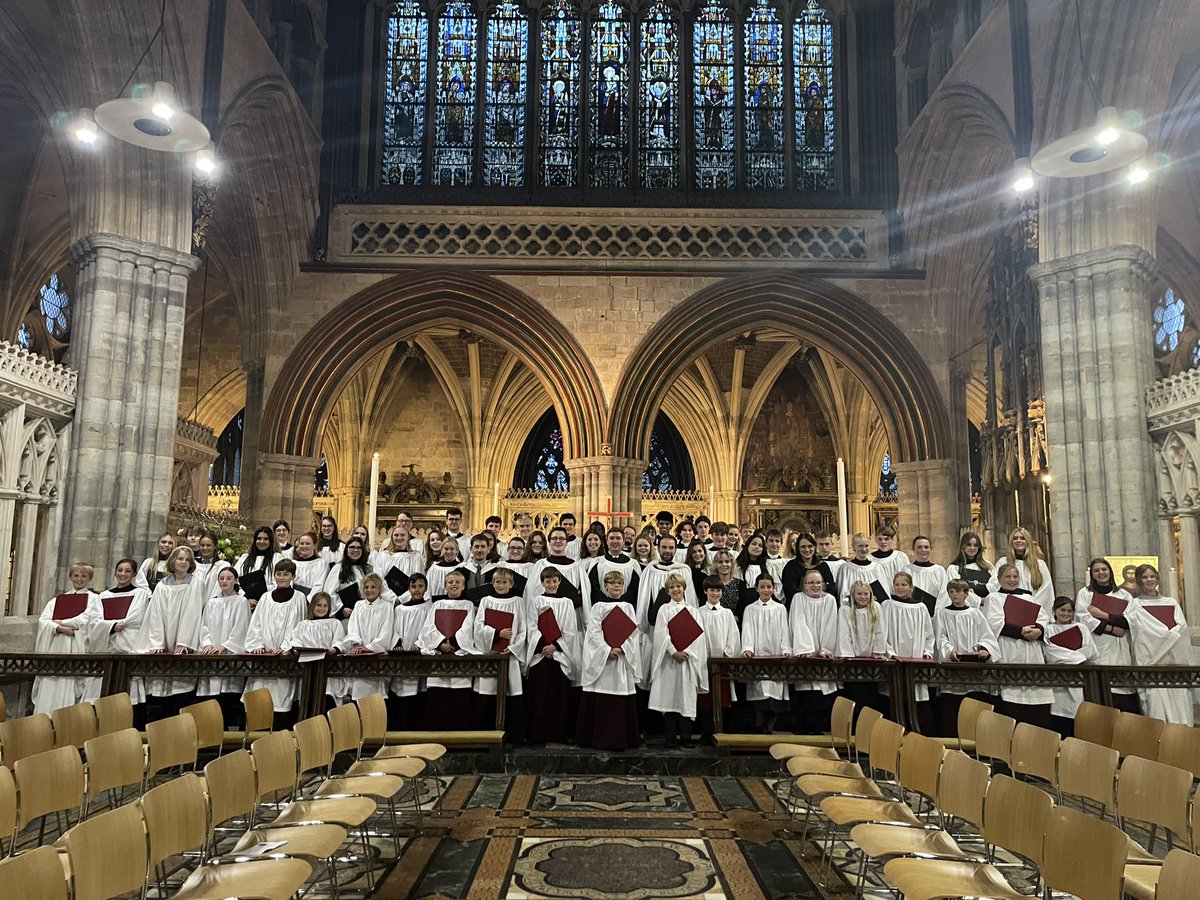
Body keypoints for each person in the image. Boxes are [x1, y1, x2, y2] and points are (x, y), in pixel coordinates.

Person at [135, 546, 206, 719]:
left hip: (185, 640)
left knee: (182, 690)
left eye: (187, 560)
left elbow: (193, 613)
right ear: (172, 561)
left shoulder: (196, 582)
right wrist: (157, 642)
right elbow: (156, 613)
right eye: (180, 558)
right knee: (162, 691)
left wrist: (184, 641)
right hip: (165, 637)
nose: (183, 562)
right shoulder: (162, 585)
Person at [578, 570, 643, 750]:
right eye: (612, 583)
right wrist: (607, 650)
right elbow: (593, 632)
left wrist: (621, 648)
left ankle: (622, 739)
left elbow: (633, 633)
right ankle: (598, 739)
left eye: (619, 583)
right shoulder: (598, 607)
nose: (616, 586)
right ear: (605, 586)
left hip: (621, 659)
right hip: (603, 662)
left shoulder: (628, 607)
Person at [985, 562, 1051, 727]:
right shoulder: (994, 598)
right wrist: (1020, 631)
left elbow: (1043, 618)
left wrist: (1039, 630)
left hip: (1031, 649)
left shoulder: (1029, 598)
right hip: (1009, 647)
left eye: (1015, 577)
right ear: (999, 579)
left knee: (1036, 698)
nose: (1012, 580)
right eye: (1008, 576)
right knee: (1010, 696)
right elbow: (994, 623)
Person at [1129, 563, 1196, 725]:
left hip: (1175, 665)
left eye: (1152, 576)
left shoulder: (1171, 602)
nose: (1149, 580)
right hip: (1151, 665)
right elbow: (1140, 633)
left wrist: (1166, 636)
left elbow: (1181, 629)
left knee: (1181, 708)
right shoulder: (1134, 605)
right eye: (1145, 577)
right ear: (1139, 580)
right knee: (1156, 711)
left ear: (1157, 579)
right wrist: (1167, 635)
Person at [244, 558, 308, 727]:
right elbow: (256, 623)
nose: (281, 577)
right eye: (278, 574)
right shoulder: (266, 597)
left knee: (282, 701)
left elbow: (298, 625)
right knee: (260, 698)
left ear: (293, 576)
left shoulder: (299, 598)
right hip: (264, 657)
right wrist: (257, 645)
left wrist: (285, 647)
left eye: (286, 574)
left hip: (284, 659)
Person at [34, 562, 102, 715]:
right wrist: (60, 628)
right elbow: (43, 621)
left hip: (78, 646)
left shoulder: (94, 599)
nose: (79, 579)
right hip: (56, 647)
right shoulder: (58, 600)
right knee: (51, 683)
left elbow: (88, 619)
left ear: (90, 578)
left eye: (84, 576)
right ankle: (45, 718)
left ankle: (69, 720)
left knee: (71, 683)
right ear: (70, 577)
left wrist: (62, 622)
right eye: (76, 575)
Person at [649, 574, 709, 747]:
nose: (676, 590)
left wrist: (686, 652)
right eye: (672, 587)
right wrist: (674, 652)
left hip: (687, 661)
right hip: (669, 662)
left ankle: (685, 737)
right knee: (670, 698)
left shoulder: (693, 611)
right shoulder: (664, 610)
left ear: (684, 588)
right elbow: (661, 634)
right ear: (667, 591)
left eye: (678, 586)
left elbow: (698, 637)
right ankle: (670, 737)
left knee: (686, 698)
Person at [933, 578, 998, 736]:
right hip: (952, 670)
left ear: (966, 593)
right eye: (951, 592)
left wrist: (984, 649)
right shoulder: (942, 614)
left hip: (974, 671)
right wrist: (949, 650)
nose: (954, 595)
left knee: (975, 712)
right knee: (951, 713)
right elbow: (940, 637)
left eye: (958, 591)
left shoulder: (975, 613)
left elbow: (987, 636)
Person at [1075, 556, 1139, 713]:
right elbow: (1083, 618)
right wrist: (1111, 629)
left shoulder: (1123, 595)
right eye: (1096, 570)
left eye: (1104, 569)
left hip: (1120, 647)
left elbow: (1130, 620)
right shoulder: (1085, 593)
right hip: (1098, 643)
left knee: (1122, 693)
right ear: (1092, 574)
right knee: (1100, 693)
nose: (1101, 573)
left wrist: (1103, 615)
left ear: (1110, 571)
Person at [82, 558, 150, 705]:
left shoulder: (140, 593)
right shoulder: (104, 596)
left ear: (134, 574)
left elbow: (137, 617)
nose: (122, 574)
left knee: (127, 694)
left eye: (127, 571)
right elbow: (94, 620)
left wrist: (117, 624)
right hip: (107, 647)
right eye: (119, 570)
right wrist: (112, 626)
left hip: (128, 644)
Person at [524, 566, 580, 743]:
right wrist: (543, 646)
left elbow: (570, 629)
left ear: (559, 582)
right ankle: (536, 734)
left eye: (554, 581)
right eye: (547, 581)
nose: (551, 585)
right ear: (542, 582)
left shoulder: (567, 602)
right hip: (540, 654)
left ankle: (560, 733)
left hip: (559, 655)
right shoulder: (535, 601)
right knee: (539, 695)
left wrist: (555, 646)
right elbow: (531, 626)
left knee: (559, 697)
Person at [417, 571, 478, 729]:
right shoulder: (437, 604)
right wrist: (440, 644)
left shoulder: (468, 605)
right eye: (450, 582)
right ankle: (435, 731)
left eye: (458, 582)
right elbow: (428, 627)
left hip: (459, 654)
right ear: (445, 586)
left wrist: (454, 642)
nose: (454, 584)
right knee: (438, 695)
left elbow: (468, 628)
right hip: (440, 655)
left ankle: (459, 732)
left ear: (463, 586)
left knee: (459, 697)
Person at [880, 572, 935, 733]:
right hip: (894, 659)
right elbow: (881, 632)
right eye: (897, 585)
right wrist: (890, 652)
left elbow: (929, 634)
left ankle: (916, 733)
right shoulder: (887, 605)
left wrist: (927, 652)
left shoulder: (921, 607)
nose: (900, 588)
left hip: (915, 660)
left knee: (915, 695)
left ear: (911, 587)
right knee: (892, 695)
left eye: (904, 585)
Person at [473, 568, 526, 735]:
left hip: (509, 655)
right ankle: (484, 733)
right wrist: (497, 633)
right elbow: (478, 627)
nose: (501, 585)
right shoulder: (486, 601)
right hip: (490, 654)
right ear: (492, 583)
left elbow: (523, 629)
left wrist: (512, 648)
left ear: (511, 584)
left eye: (504, 582)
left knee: (511, 691)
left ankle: (512, 734)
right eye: (497, 582)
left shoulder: (518, 602)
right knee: (487, 692)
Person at [739, 573, 794, 734]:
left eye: (769, 587)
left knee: (775, 693)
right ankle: (761, 726)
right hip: (758, 656)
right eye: (762, 587)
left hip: (776, 656)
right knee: (761, 693)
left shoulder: (780, 608)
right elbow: (747, 630)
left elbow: (785, 630)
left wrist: (786, 649)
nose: (765, 590)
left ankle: (769, 727)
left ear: (774, 588)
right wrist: (747, 648)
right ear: (756, 589)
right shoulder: (750, 609)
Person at [197, 566, 252, 726]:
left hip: (230, 654)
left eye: (228, 578)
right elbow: (204, 626)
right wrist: (207, 644)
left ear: (236, 581)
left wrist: (226, 644)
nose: (224, 581)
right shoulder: (212, 602)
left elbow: (242, 626)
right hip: (212, 656)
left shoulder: (241, 601)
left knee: (228, 697)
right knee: (212, 699)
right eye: (221, 578)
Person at [790, 569, 840, 733]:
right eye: (811, 582)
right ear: (804, 585)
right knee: (806, 689)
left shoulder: (830, 600)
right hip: (806, 653)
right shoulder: (798, 598)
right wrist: (806, 648)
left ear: (823, 584)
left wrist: (825, 649)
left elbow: (831, 625)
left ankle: (820, 725)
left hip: (824, 653)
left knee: (823, 689)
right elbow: (798, 622)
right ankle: (804, 727)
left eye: (818, 582)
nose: (815, 586)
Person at [1042, 595, 1098, 736]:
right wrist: (1076, 657)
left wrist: (1071, 657)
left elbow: (1090, 650)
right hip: (1057, 679)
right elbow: (1050, 653)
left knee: (1077, 717)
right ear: (1054, 610)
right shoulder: (1048, 629)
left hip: (1078, 678)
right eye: (1062, 610)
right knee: (1058, 719)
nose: (1066, 614)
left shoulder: (1081, 628)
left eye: (1069, 611)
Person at [283, 592, 350, 709]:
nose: (321, 608)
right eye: (318, 605)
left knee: (327, 699)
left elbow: (339, 640)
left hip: (327, 667)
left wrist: (334, 649)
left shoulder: (334, 623)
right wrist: (296, 650)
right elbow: (296, 641)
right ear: (312, 605)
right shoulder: (303, 625)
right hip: (307, 668)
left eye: (325, 606)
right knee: (308, 699)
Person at [696, 575, 739, 741]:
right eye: (712, 590)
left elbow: (733, 637)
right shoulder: (698, 613)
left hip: (722, 664)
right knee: (706, 699)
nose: (715, 593)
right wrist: (703, 656)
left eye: (718, 590)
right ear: (705, 591)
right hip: (704, 663)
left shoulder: (727, 614)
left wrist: (726, 656)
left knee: (723, 697)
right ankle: (707, 732)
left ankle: (723, 732)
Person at [837, 581, 889, 715]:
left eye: (866, 594)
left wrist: (878, 652)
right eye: (859, 594)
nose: (863, 597)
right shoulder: (845, 610)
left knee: (870, 697)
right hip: (853, 662)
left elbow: (880, 631)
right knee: (855, 696)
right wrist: (848, 656)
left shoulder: (876, 607)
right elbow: (844, 634)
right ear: (853, 595)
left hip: (872, 661)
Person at [389, 572, 430, 729]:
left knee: (420, 692)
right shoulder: (400, 609)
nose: (417, 589)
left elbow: (429, 629)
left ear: (426, 588)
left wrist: (420, 644)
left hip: (420, 653)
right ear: (408, 589)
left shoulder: (430, 607)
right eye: (414, 586)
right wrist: (397, 643)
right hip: (404, 653)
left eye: (420, 586)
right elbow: (394, 629)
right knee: (403, 692)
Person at [988, 527, 1054, 610]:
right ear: (1011, 542)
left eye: (1022, 538)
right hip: (1007, 608)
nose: (1018, 541)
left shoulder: (1040, 565)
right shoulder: (1003, 562)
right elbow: (995, 583)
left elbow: (1045, 591)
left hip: (1033, 609)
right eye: (1015, 538)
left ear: (1028, 542)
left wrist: (1030, 607)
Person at [588, 528, 641, 607]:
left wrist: (620, 604)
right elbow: (593, 588)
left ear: (623, 541)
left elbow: (634, 589)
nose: (615, 541)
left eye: (618, 538)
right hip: (602, 607)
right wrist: (607, 603)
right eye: (612, 538)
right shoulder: (597, 562)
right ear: (607, 541)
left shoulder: (633, 564)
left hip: (625, 608)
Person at [324, 537, 373, 617]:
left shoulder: (369, 569)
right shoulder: (338, 568)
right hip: (346, 614)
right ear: (346, 550)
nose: (355, 550)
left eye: (359, 548)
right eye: (352, 547)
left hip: (366, 612)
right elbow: (329, 592)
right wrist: (342, 609)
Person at [782, 532, 837, 601]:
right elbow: (789, 590)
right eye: (803, 547)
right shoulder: (790, 567)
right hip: (798, 603)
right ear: (798, 548)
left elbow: (831, 589)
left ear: (814, 547)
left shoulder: (823, 566)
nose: (807, 550)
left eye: (810, 546)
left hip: (821, 603)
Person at [235, 526, 277, 608]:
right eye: (259, 538)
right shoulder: (244, 558)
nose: (262, 541)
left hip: (268, 602)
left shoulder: (276, 558)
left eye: (266, 539)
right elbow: (234, 579)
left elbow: (279, 581)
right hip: (245, 602)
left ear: (271, 541)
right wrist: (245, 597)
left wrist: (262, 595)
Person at [838, 533, 885, 604]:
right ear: (853, 547)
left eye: (866, 546)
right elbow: (843, 594)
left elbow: (883, 595)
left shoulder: (877, 567)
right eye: (860, 546)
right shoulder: (845, 568)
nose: (864, 549)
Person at [905, 535, 947, 612]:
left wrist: (936, 613)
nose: (923, 550)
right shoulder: (906, 570)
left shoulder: (939, 570)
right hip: (912, 612)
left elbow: (944, 595)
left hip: (934, 614)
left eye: (926, 547)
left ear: (930, 549)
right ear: (913, 549)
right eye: (919, 547)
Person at [947, 532, 991, 598]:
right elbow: (956, 592)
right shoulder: (954, 568)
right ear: (963, 547)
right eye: (969, 545)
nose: (972, 548)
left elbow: (994, 586)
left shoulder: (988, 566)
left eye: (975, 545)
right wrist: (979, 601)